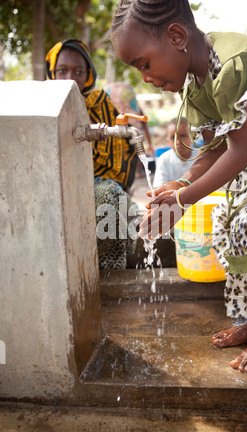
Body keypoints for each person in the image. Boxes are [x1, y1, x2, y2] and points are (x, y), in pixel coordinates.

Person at [110, 0, 247, 374]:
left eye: (144, 63)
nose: (145, 77)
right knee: (228, 223)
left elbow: (240, 151)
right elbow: (215, 149)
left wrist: (182, 200)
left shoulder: (231, 65)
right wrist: (182, 182)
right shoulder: (196, 86)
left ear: (177, 36)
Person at [46, 39, 138, 270]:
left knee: (109, 198)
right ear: (52, 72)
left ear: (88, 75)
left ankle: (110, 273)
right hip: (52, 186)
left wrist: (121, 187)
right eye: (62, 70)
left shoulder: (101, 103)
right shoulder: (42, 106)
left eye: (78, 71)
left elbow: (123, 147)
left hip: (98, 183)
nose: (70, 77)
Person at [153, 117, 198, 188]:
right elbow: (159, 188)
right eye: (173, 137)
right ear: (167, 140)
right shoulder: (164, 159)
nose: (178, 142)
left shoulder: (201, 157)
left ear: (192, 137)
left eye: (183, 136)